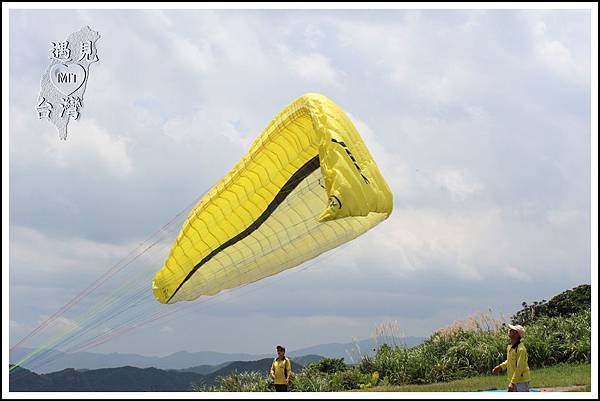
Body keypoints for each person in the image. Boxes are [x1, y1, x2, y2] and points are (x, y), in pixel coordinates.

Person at [492, 324, 531, 392]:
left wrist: (513, 383)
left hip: (521, 382)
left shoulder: (521, 349)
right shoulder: (510, 347)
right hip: (514, 380)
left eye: (512, 330)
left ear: (517, 334)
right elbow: (510, 360)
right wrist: (501, 367)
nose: (509, 330)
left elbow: (520, 367)